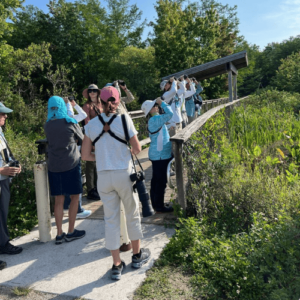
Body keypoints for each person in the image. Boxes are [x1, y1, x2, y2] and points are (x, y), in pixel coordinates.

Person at [82, 86, 150, 280]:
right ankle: (137, 256)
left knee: (111, 220)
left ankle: (116, 265)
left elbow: (85, 155)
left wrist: (103, 157)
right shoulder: (123, 119)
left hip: (104, 177)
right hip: (124, 174)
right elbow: (136, 148)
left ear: (99, 102)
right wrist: (121, 154)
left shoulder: (91, 125)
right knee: (132, 214)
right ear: (118, 101)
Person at [44, 96, 85, 244]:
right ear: (62, 106)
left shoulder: (47, 125)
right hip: (71, 164)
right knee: (74, 197)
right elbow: (82, 138)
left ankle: (59, 233)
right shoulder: (70, 122)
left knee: (58, 200)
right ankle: (71, 231)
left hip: (54, 166)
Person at [141, 97, 174, 213]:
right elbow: (170, 114)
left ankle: (156, 204)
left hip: (158, 155)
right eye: (155, 106)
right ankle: (159, 206)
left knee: (156, 180)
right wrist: (163, 103)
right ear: (151, 110)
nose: (157, 107)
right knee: (160, 181)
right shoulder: (155, 120)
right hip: (160, 155)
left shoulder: (154, 120)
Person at [0, 103, 22, 259]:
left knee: (2, 213)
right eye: (2, 114)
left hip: (4, 180)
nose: (5, 116)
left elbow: (6, 152)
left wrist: (15, 163)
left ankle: (3, 243)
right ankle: (3, 244)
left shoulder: (0, 131)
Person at [63, 97, 91, 219]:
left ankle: (66, 206)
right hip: (74, 155)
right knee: (76, 182)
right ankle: (78, 209)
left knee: (65, 181)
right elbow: (84, 114)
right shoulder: (73, 120)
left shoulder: (56, 122)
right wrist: (74, 104)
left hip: (62, 156)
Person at [82, 84, 102, 201]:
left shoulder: (102, 104)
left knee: (100, 162)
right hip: (92, 135)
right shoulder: (87, 106)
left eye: (94, 90)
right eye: (90, 91)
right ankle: (91, 189)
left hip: (103, 135)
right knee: (91, 164)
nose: (92, 92)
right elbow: (86, 122)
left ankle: (99, 187)